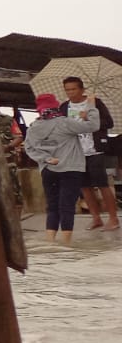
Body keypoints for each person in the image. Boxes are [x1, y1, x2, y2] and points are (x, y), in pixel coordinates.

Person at [22, 92, 99, 244]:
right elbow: (94, 126)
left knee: (52, 206)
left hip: (48, 170)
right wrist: (91, 107)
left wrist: (47, 158)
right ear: (55, 106)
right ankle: (66, 244)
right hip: (70, 169)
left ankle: (50, 241)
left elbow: (30, 148)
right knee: (67, 206)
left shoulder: (34, 127)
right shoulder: (65, 123)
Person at [58, 75, 118, 231]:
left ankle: (113, 218)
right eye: (67, 90)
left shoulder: (94, 103)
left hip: (94, 149)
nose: (70, 93)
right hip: (76, 151)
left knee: (101, 183)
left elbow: (109, 123)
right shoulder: (64, 107)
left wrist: (90, 117)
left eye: (73, 89)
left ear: (82, 89)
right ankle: (96, 218)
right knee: (84, 186)